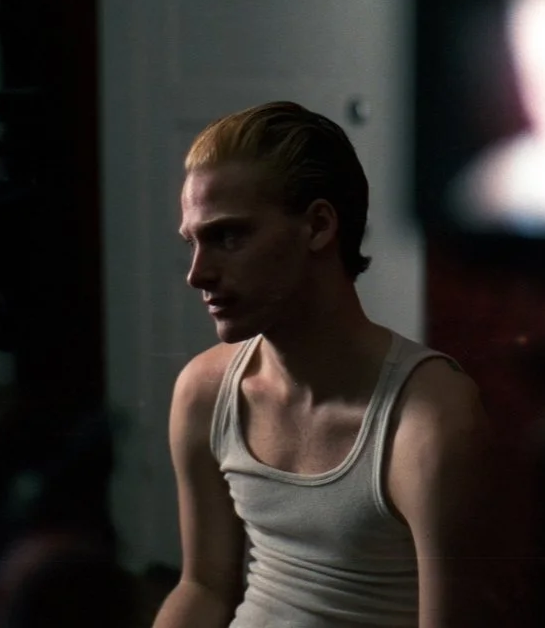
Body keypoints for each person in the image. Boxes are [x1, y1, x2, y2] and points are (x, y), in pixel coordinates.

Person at [152, 101, 505, 628]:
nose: (197, 274)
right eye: (193, 243)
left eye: (228, 236)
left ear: (318, 226)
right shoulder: (204, 391)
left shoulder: (428, 421)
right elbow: (202, 587)